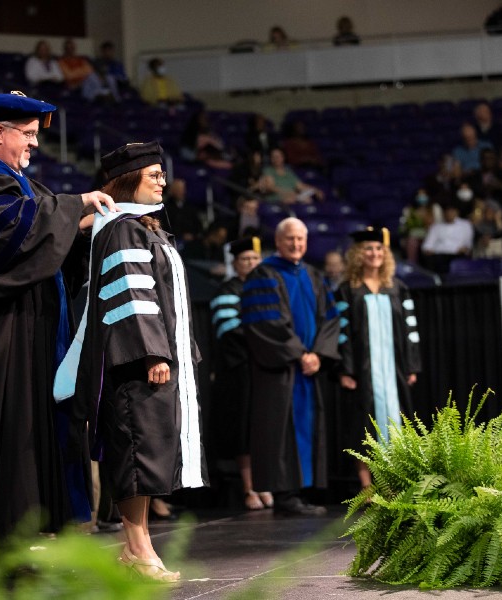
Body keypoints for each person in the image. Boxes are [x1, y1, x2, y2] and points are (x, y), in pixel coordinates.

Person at [0, 92, 116, 549]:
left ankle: (22, 536)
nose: (34, 146)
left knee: (29, 434)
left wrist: (93, 223)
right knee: (2, 435)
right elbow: (9, 235)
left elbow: (42, 234)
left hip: (24, 329)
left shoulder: (17, 182)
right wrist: (75, 206)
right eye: (29, 135)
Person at [53, 141, 208, 582]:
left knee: (147, 452)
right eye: (154, 174)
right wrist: (153, 351)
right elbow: (132, 296)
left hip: (152, 358)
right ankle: (137, 549)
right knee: (135, 454)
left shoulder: (146, 227)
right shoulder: (121, 229)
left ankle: (138, 547)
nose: (163, 180)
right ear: (128, 180)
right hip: (134, 362)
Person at [241, 217, 340, 515]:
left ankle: (302, 491)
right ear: (279, 241)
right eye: (290, 239)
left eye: (300, 239)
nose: (296, 244)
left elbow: (330, 319)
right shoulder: (263, 275)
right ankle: (284, 495)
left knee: (306, 427)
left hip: (308, 369)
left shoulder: (315, 276)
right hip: (280, 371)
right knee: (279, 428)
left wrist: (319, 354)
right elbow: (266, 323)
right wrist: (299, 354)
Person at [336, 228, 421, 491]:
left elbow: (410, 331)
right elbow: (342, 333)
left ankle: (396, 483)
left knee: (397, 420)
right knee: (364, 422)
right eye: (369, 249)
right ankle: (367, 486)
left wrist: (412, 365)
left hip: (394, 369)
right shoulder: (346, 290)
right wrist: (346, 369)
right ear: (357, 254)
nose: (375, 253)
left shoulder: (397, 288)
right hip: (364, 368)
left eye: (379, 249)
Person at [210, 237, 270, 511]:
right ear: (235, 263)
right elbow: (229, 330)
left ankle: (266, 483)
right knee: (244, 430)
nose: (251, 263)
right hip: (240, 370)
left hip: (265, 368)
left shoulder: (266, 289)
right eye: (245, 259)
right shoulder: (228, 289)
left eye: (255, 258)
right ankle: (249, 488)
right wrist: (266, 342)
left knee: (264, 428)